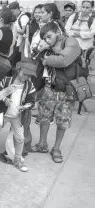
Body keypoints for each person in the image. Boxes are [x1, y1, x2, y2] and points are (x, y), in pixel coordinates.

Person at [30, 22, 83, 163]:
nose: (47, 40)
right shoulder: (49, 47)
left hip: (66, 90)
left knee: (62, 122)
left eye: (49, 36)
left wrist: (47, 59)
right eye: (45, 38)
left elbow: (64, 60)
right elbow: (36, 58)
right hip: (49, 88)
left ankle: (56, 148)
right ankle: (42, 144)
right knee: (44, 117)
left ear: (57, 31)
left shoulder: (71, 41)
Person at [0, 62, 36, 171]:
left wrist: (24, 107)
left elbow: (32, 101)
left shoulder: (29, 85)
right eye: (25, 74)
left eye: (29, 76)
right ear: (18, 70)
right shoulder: (7, 80)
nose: (26, 77)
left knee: (20, 139)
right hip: (3, 114)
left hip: (17, 116)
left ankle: (17, 159)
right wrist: (5, 99)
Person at [8, 1, 30, 67]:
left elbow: (24, 30)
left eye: (13, 11)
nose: (12, 13)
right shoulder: (18, 18)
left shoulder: (23, 18)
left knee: (14, 61)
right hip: (18, 43)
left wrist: (14, 30)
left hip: (22, 44)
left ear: (17, 9)